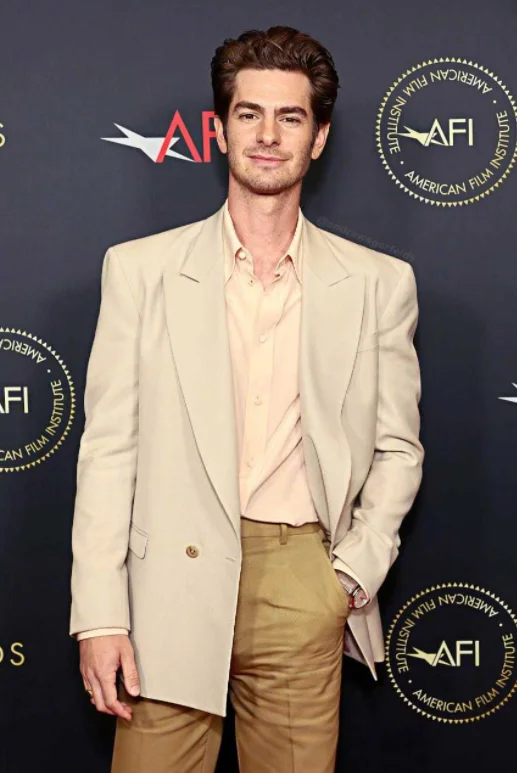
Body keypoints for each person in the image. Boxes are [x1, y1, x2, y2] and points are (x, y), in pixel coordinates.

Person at [69, 24, 424, 773]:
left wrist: (350, 573)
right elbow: (109, 450)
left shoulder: (375, 283)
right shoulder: (142, 272)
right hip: (168, 578)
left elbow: (397, 446)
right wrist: (100, 611)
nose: (268, 135)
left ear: (318, 137)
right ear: (220, 129)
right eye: (249, 113)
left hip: (303, 577)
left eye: (290, 117)